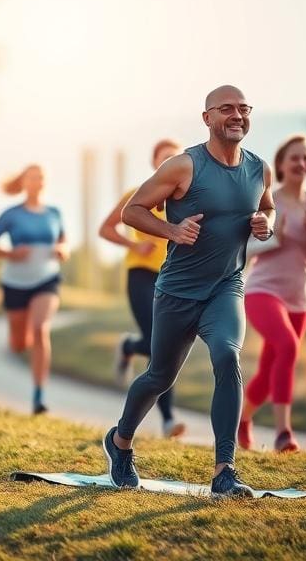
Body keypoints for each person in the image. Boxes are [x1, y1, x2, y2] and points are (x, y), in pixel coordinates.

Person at [102, 86, 274, 498]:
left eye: (244, 109)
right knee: (159, 376)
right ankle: (120, 441)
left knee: (226, 355)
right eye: (227, 109)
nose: (237, 115)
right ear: (207, 118)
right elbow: (132, 211)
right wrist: (172, 230)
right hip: (177, 291)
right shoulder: (183, 166)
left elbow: (267, 205)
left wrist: (267, 222)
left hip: (226, 287)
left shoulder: (259, 168)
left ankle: (224, 472)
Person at [238, 135, 306, 453]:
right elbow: (243, 249)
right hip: (261, 291)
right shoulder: (266, 202)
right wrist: (276, 238)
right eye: (295, 158)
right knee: (287, 346)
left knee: (271, 366)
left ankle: (243, 419)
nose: (302, 164)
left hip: (300, 299)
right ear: (282, 164)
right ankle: (284, 432)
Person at [100, 139, 187, 439]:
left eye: (174, 158)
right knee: (157, 344)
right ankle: (167, 419)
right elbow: (106, 228)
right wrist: (134, 243)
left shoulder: (190, 199)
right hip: (140, 274)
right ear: (155, 164)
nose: (169, 163)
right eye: (164, 159)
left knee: (164, 346)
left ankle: (128, 347)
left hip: (173, 279)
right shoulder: (138, 195)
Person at [0, 164, 69, 414]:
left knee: (41, 330)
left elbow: (64, 240)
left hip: (47, 278)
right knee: (19, 344)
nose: (38, 181)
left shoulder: (54, 212)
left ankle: (39, 397)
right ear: (23, 182)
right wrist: (10, 253)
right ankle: (22, 340)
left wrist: (63, 250)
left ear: (45, 182)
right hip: (15, 282)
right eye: (32, 177)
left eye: (41, 177)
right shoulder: (11, 214)